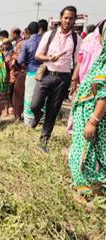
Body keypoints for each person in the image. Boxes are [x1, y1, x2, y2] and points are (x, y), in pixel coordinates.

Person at [31, 6, 82, 152]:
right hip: (47, 74)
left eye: (71, 18)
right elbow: (37, 55)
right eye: (66, 17)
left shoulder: (76, 39)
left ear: (74, 20)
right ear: (61, 18)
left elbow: (79, 61)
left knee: (53, 110)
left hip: (63, 79)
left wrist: (74, 79)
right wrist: (49, 58)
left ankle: (43, 142)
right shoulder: (49, 34)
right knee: (35, 104)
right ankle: (38, 114)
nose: (68, 21)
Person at [69, 31, 106, 199]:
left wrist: (93, 121)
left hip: (92, 120)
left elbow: (103, 95)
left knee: (90, 154)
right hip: (87, 118)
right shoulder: (101, 60)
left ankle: (91, 192)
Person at [67, 19, 106, 134]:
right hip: (85, 83)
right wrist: (75, 79)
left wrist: (93, 121)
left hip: (95, 116)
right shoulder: (90, 42)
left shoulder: (103, 64)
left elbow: (103, 95)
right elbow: (81, 59)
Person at [17, 22, 42, 125]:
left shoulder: (26, 43)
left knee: (29, 95)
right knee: (41, 95)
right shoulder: (44, 41)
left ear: (29, 31)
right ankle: (41, 118)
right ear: (39, 29)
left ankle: (29, 120)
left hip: (31, 72)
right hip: (43, 72)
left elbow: (20, 60)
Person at [10, 27, 26, 120]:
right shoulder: (17, 43)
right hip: (18, 71)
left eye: (11, 33)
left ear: (15, 34)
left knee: (18, 95)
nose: (11, 36)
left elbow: (20, 59)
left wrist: (14, 60)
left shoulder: (20, 44)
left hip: (20, 71)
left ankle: (18, 115)